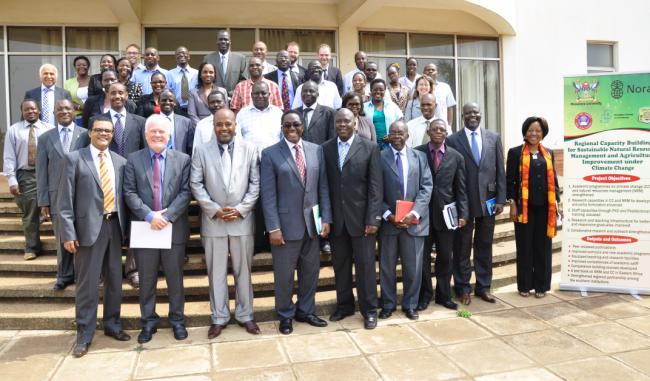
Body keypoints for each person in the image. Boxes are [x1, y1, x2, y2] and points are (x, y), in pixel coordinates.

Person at [58, 116, 131, 358]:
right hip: (87, 231)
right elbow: (64, 201)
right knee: (87, 285)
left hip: (114, 227)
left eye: (108, 131)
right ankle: (85, 334)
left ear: (112, 135)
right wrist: (67, 233)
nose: (103, 134)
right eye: (99, 130)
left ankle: (112, 325)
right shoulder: (74, 159)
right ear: (90, 132)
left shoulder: (120, 162)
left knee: (114, 281)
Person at [191, 108, 261, 339]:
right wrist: (215, 210)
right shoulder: (201, 150)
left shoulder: (250, 149)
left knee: (244, 272)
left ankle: (245, 315)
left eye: (228, 124)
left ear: (235, 125)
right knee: (216, 273)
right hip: (214, 223)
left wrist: (241, 210)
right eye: (219, 124)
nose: (223, 128)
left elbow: (255, 184)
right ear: (213, 126)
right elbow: (196, 184)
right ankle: (219, 317)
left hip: (242, 221)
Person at [261, 110, 332, 335]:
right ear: (281, 128)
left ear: (303, 127)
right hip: (284, 227)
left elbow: (322, 187)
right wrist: (273, 227)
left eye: (296, 125)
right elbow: (268, 195)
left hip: (312, 225)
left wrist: (325, 219)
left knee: (310, 272)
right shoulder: (270, 154)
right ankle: (285, 314)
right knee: (284, 275)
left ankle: (306, 310)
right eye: (287, 126)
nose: (292, 129)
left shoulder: (316, 150)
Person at [123, 114, 192, 344]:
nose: (157, 135)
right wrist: (150, 215)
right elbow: (129, 192)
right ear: (145, 135)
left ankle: (177, 321)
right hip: (146, 228)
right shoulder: (133, 159)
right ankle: (148, 322)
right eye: (153, 131)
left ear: (169, 135)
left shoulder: (183, 159)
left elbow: (185, 193)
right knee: (147, 280)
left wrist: (168, 216)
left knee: (175, 279)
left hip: (173, 228)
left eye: (162, 131)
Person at [323, 108, 382, 329]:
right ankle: (344, 305)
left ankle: (369, 310)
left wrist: (373, 219)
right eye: (338, 122)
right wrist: (325, 218)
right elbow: (324, 187)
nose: (342, 125)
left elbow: (376, 188)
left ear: (355, 123)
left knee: (366, 268)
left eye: (347, 121)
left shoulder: (370, 148)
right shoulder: (326, 149)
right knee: (341, 266)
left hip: (363, 221)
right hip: (338, 221)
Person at [446, 102, 506, 305]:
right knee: (462, 247)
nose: (473, 115)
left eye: (476, 112)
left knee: (484, 246)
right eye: (468, 113)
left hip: (488, 202)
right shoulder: (453, 140)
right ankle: (462, 288)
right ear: (462, 116)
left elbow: (500, 170)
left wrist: (500, 199)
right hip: (463, 202)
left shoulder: (494, 137)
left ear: (481, 114)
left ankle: (484, 287)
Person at [378, 120, 432, 321]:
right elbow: (375, 192)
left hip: (414, 224)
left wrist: (415, 213)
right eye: (394, 133)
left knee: (413, 268)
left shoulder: (420, 157)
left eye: (401, 133)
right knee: (387, 268)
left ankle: (410, 305)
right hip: (389, 223)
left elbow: (426, 187)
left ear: (407, 135)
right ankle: (388, 305)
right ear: (389, 136)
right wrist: (388, 215)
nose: (398, 136)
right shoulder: (380, 158)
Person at [414, 119, 468, 311]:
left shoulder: (456, 157)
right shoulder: (417, 153)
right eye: (434, 128)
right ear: (428, 131)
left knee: (446, 257)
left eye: (442, 129)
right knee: (423, 259)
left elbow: (461, 189)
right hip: (423, 215)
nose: (438, 131)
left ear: (446, 133)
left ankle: (444, 295)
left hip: (447, 216)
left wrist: (463, 213)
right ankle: (424, 295)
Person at [506, 116, 561, 299]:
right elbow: (510, 181)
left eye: (537, 130)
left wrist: (558, 203)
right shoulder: (515, 153)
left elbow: (554, 180)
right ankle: (524, 285)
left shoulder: (549, 153)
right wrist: (512, 203)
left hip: (546, 208)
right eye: (530, 130)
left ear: (543, 133)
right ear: (525, 132)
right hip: (524, 208)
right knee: (525, 246)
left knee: (543, 247)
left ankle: (541, 286)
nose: (534, 134)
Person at [37, 99, 90, 288]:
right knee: (62, 238)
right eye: (60, 109)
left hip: (83, 195)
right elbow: (41, 172)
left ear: (75, 111)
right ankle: (64, 275)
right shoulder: (45, 138)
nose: (64, 111)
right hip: (57, 196)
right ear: (53, 112)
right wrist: (43, 202)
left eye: (68, 108)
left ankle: (83, 274)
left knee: (84, 237)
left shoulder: (86, 135)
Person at [100, 82, 147, 289]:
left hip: (135, 180)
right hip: (107, 180)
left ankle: (133, 269)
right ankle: (108, 270)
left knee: (135, 224)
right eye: (113, 93)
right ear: (107, 95)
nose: (117, 96)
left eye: (120, 92)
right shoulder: (99, 122)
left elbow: (146, 153)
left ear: (127, 95)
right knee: (109, 226)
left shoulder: (140, 121)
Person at [3, 99, 53, 260]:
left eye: (33, 109)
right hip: (27, 174)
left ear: (39, 110)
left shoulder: (49, 128)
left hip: (48, 173)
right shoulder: (14, 130)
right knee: (30, 212)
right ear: (22, 112)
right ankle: (32, 247)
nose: (30, 111)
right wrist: (11, 179)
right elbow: (9, 157)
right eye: (26, 110)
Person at [203, 30, 247, 97]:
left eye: (226, 39)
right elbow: (204, 79)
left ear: (230, 42)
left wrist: (233, 93)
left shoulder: (240, 59)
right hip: (214, 99)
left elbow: (243, 80)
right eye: (220, 39)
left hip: (234, 98)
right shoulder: (208, 59)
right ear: (217, 41)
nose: (223, 41)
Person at [363, 78, 403, 149]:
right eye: (375, 89)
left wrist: (392, 135)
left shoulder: (392, 106)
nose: (378, 92)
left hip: (389, 145)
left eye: (381, 90)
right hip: (369, 145)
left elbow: (401, 121)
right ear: (371, 90)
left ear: (385, 91)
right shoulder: (364, 107)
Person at [293, 81, 336, 145]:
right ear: (301, 93)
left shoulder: (329, 113)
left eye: (311, 91)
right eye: (305, 91)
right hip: (299, 153)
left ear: (318, 94)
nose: (307, 93)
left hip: (320, 153)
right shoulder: (294, 113)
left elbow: (332, 138)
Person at [159, 89, 195, 155]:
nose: (167, 102)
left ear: (175, 103)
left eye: (171, 100)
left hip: (180, 162)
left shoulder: (186, 122)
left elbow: (191, 147)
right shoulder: (150, 122)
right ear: (158, 102)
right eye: (164, 100)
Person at [166, 46, 199, 115]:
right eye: (178, 54)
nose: (181, 55)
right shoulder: (169, 74)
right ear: (175, 57)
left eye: (184, 53)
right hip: (176, 109)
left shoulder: (197, 73)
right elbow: (167, 92)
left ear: (189, 56)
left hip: (194, 108)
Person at [64, 56, 91, 125]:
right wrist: (79, 107)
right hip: (77, 118)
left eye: (84, 65)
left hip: (93, 116)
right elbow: (65, 100)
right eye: (78, 65)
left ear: (88, 66)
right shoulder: (68, 83)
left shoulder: (94, 80)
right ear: (75, 67)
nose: (81, 67)